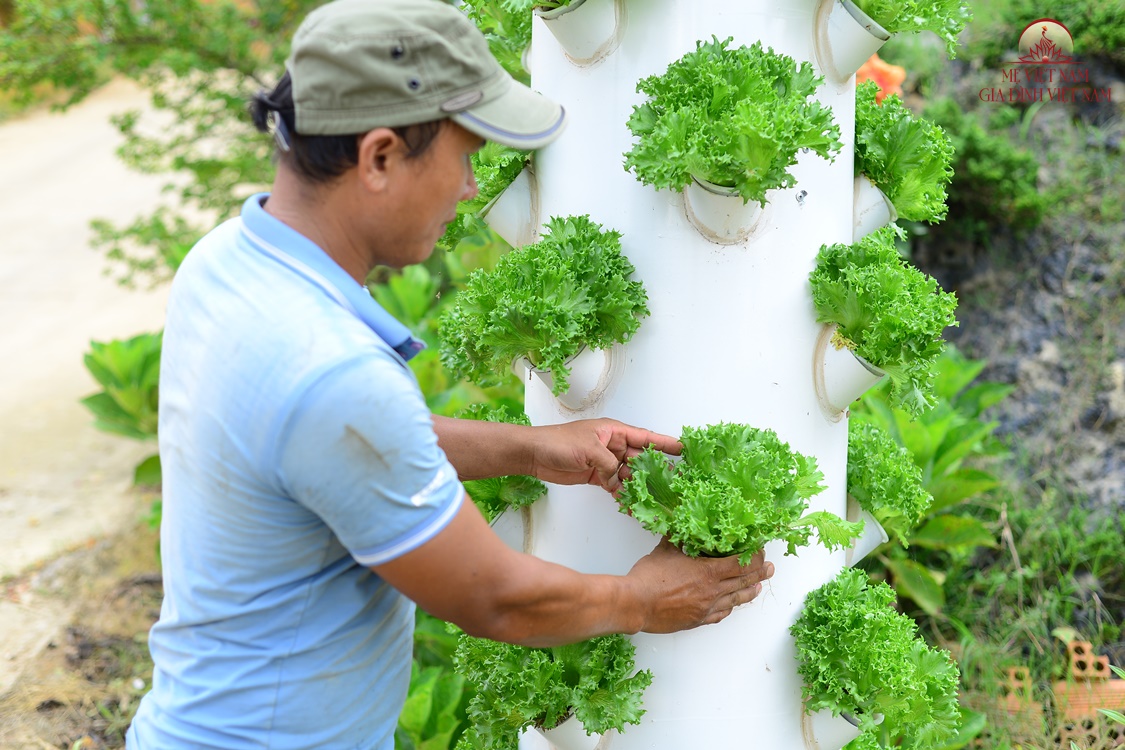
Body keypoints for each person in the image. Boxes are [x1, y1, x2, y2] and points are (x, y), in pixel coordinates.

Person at [126, 0, 775, 747]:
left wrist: (533, 449)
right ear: (378, 157)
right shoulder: (336, 378)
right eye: (464, 157)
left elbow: (324, 445)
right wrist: (642, 599)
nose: (470, 188)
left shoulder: (228, 262)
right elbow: (493, 598)